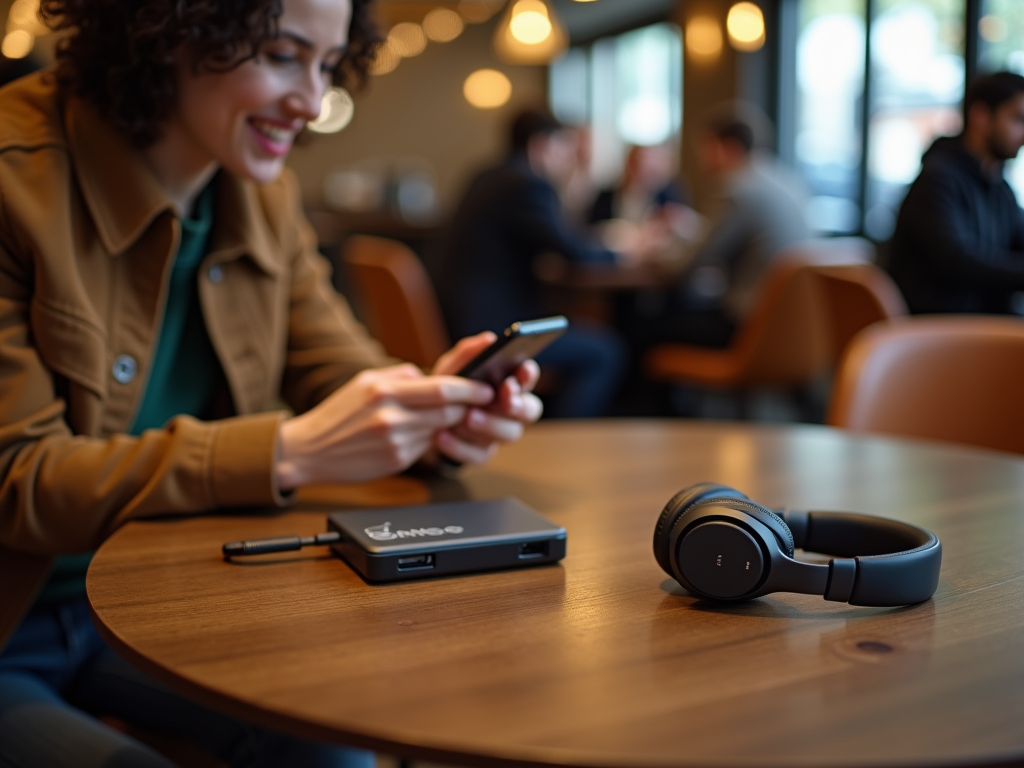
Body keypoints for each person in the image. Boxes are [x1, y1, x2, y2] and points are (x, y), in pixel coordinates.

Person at [0, 1, 542, 766]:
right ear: (170, 30)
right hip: (13, 628)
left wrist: (429, 417)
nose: (314, 103)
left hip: (155, 599)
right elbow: (17, 479)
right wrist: (285, 452)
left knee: (340, 749)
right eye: (284, 55)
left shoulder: (263, 195)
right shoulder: (13, 176)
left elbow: (339, 369)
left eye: (326, 65)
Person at [437, 108, 631, 419]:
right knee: (606, 351)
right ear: (541, 145)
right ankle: (564, 442)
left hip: (460, 316)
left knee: (589, 337)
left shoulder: (487, 175)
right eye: (563, 148)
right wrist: (624, 250)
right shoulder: (526, 184)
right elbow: (573, 250)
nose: (567, 159)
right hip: (493, 330)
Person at [888, 70, 1024, 314]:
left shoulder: (1000, 189)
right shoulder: (938, 179)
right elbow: (957, 261)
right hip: (939, 335)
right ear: (981, 116)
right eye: (1017, 119)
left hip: (979, 328)